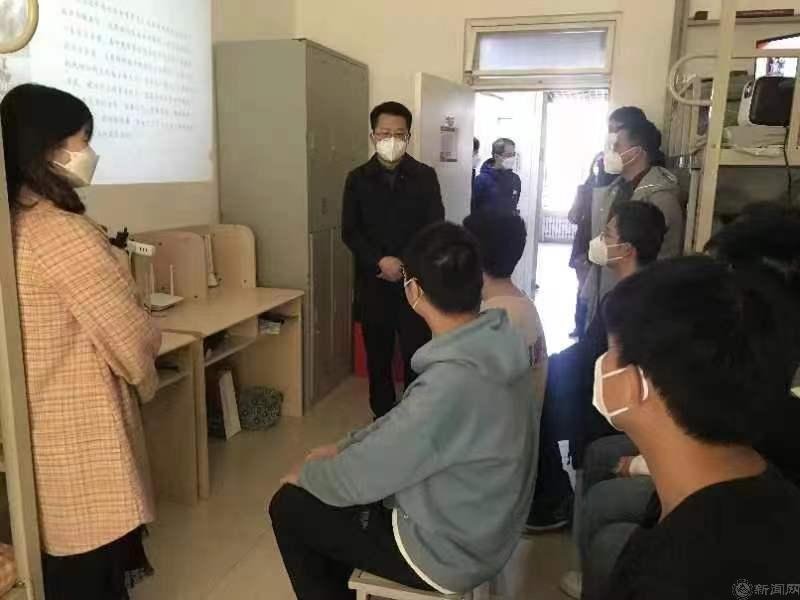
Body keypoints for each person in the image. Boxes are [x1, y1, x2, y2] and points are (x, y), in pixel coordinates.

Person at [270, 222, 538, 600]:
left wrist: (308, 475)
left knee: (289, 506)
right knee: (338, 500)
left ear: (413, 291)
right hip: (489, 523)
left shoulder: (451, 383)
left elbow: (364, 476)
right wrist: (345, 445)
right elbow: (404, 422)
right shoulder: (497, 342)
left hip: (451, 552)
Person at [2, 83, 160, 599]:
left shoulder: (13, 224)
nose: (89, 153)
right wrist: (149, 354)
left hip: (34, 428)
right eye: (83, 140)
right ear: (48, 147)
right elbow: (130, 339)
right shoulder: (60, 233)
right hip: (77, 432)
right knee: (90, 573)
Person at [597, 256, 800, 600]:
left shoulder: (665, 579)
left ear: (636, 385)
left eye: (608, 354)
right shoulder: (772, 493)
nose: (601, 366)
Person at [342, 101, 444, 418]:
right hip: (373, 284)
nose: (392, 140)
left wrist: (404, 263)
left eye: (399, 134)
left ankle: (415, 417)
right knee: (378, 357)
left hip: (414, 284)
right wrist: (379, 262)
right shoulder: (357, 179)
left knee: (417, 354)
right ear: (373, 136)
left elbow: (434, 227)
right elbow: (350, 231)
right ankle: (382, 417)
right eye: (385, 133)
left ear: (408, 137)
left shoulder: (425, 176)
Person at [580, 117, 682, 327]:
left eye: (617, 146)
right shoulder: (617, 188)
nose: (610, 152)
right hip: (609, 296)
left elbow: (657, 262)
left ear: (637, 152)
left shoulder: (661, 199)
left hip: (636, 308)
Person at [568, 106, 648, 338]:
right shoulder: (615, 185)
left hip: (627, 298)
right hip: (606, 288)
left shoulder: (653, 195)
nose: (610, 139)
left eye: (615, 131)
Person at [471, 137, 521, 215]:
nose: (512, 158)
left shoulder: (515, 179)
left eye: (513, 154)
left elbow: (513, 206)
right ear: (497, 156)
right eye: (508, 155)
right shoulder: (481, 180)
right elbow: (474, 209)